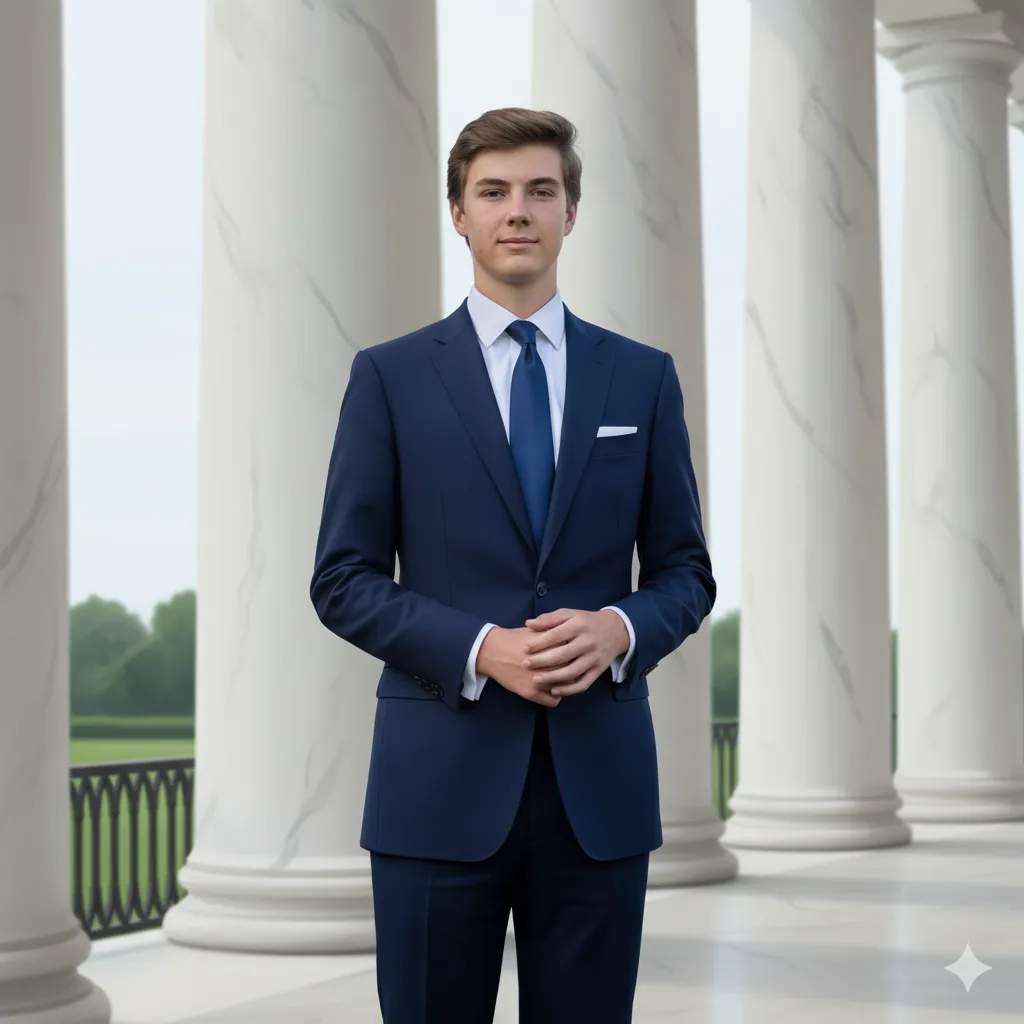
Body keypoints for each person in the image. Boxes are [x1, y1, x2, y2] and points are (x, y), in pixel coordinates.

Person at [310, 107, 715, 1024]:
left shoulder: (642, 378)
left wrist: (620, 628)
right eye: (493, 192)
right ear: (459, 214)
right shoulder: (392, 377)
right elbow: (342, 578)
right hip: (436, 785)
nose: (518, 210)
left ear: (573, 212)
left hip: (598, 793)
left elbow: (687, 571)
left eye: (541, 190)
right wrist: (478, 646)